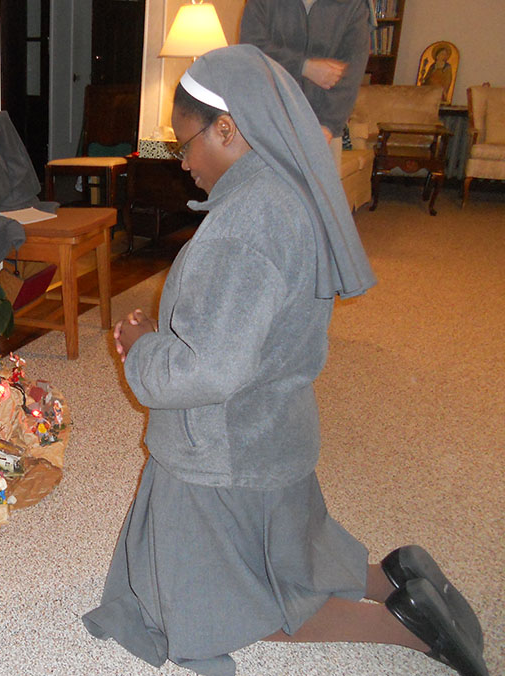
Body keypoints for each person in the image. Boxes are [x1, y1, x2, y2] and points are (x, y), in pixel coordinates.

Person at [82, 45, 486, 676]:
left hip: (219, 452)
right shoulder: (283, 193)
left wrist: (143, 348)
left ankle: (404, 627)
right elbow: (244, 330)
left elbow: (209, 373)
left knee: (221, 604)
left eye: (184, 141)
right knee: (283, 555)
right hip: (273, 431)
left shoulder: (244, 229)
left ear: (228, 128)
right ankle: (391, 575)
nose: (181, 158)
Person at [239, 0, 372, 144]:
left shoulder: (352, 5)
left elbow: (352, 72)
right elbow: (250, 51)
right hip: (265, 121)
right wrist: (304, 66)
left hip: (321, 128)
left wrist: (328, 125)